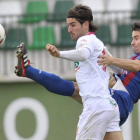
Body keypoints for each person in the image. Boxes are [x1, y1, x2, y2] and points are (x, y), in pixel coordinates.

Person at [15, 5, 123, 140]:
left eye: (73, 25)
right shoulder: (99, 44)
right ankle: (28, 70)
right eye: (68, 25)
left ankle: (28, 70)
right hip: (109, 107)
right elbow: (120, 70)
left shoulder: (85, 40)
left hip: (95, 108)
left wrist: (59, 54)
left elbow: (83, 54)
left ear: (86, 24)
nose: (69, 30)